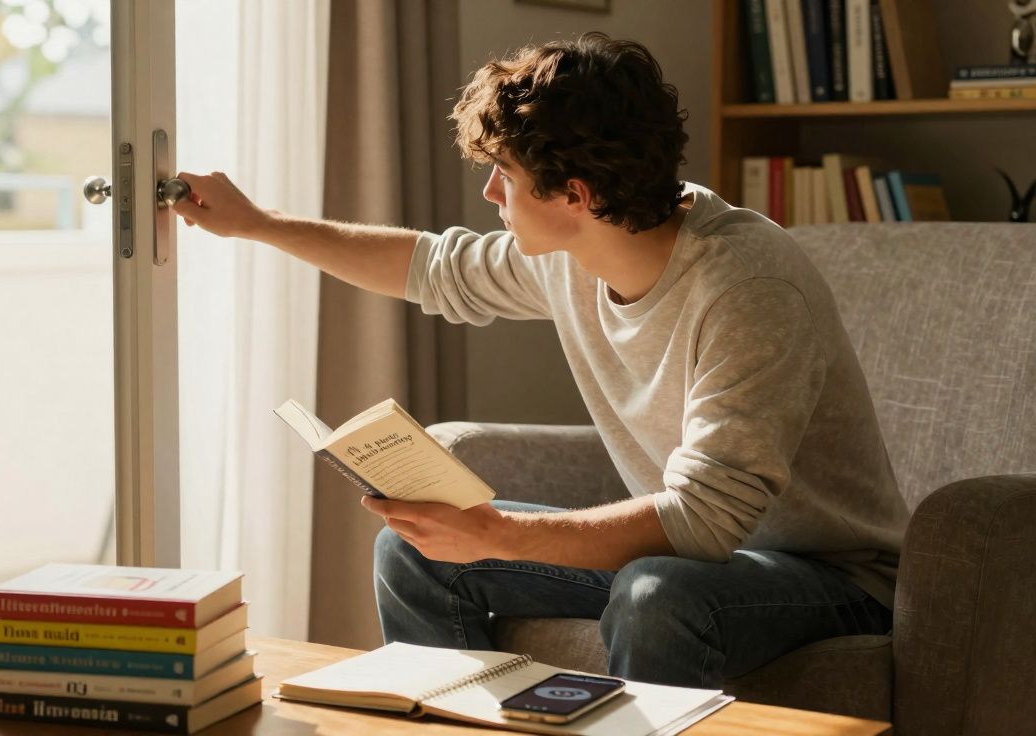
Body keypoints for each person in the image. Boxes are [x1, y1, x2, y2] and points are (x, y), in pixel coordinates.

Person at [172, 32, 908, 689]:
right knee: (414, 552)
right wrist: (258, 224)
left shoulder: (748, 287)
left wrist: (497, 534)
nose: (490, 191)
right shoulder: (574, 252)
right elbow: (431, 269)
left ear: (575, 195)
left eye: (506, 174)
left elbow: (708, 518)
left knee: (658, 596)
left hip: (829, 577)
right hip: (692, 559)